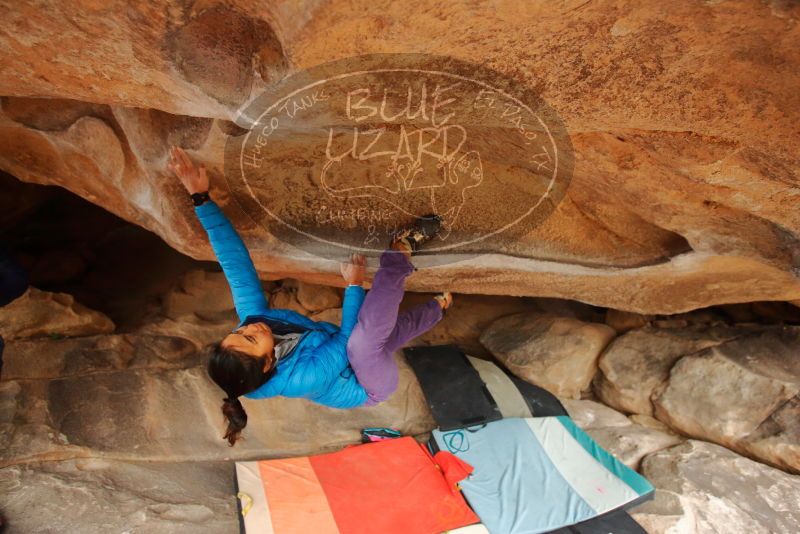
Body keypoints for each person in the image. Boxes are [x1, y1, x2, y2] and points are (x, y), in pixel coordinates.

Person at [168, 147, 453, 445]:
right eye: (251, 338)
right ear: (268, 364)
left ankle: (438, 309)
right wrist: (354, 287)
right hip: (366, 385)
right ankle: (400, 252)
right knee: (364, 343)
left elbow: (234, 264)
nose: (250, 327)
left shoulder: (254, 323)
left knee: (378, 338)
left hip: (348, 353)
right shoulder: (300, 380)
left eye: (238, 331)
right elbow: (345, 343)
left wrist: (199, 198)